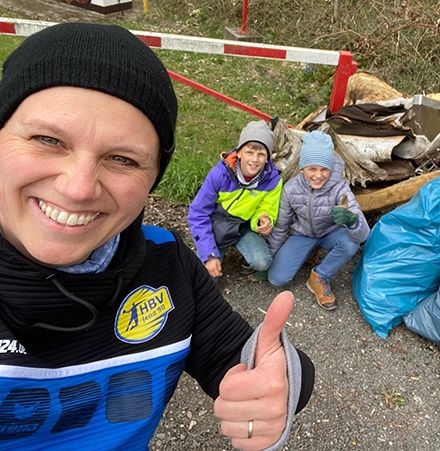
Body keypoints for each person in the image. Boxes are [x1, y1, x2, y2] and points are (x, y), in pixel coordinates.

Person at [0, 22, 313, 450]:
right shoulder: (218, 178)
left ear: (152, 178)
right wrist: (211, 248)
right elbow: (200, 214)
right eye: (47, 139)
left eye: (123, 159)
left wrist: (282, 383)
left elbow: (244, 358)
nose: (77, 187)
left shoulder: (166, 262)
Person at [267, 130, 369, 311]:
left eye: (324, 169)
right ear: (302, 168)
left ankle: (319, 276)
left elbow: (363, 234)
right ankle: (309, 251)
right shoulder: (291, 189)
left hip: (330, 232)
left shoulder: (340, 187)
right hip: (303, 234)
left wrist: (352, 221)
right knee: (277, 278)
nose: (318, 175)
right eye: (312, 168)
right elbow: (281, 226)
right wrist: (270, 257)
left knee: (350, 243)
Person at [188, 120, 282, 279]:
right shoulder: (220, 174)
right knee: (205, 278)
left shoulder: (273, 181)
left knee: (263, 262)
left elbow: (266, 209)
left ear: (268, 158)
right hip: (216, 223)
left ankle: (240, 252)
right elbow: (197, 213)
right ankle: (213, 251)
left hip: (241, 227)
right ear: (239, 152)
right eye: (249, 152)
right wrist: (209, 255)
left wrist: (262, 220)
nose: (254, 159)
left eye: (261, 154)